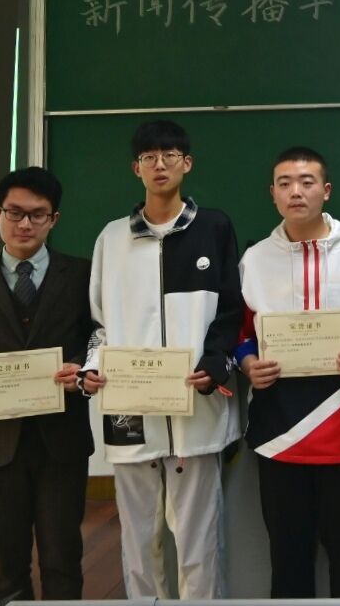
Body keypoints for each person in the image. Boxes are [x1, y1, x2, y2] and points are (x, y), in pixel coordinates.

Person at [79, 120, 242, 599]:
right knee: (138, 541)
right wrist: (92, 368)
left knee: (199, 544)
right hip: (129, 411)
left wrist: (216, 363)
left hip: (195, 411)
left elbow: (230, 311)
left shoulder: (214, 228)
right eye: (149, 157)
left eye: (170, 155)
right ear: (136, 169)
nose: (160, 165)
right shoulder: (112, 238)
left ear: (186, 163)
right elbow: (98, 323)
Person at [237, 147, 340, 598]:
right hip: (278, 432)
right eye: (285, 183)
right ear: (272, 194)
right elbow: (242, 333)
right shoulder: (254, 259)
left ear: (326, 191)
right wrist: (249, 364)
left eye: (306, 182)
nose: (295, 192)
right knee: (288, 558)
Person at [0, 167, 96, 600]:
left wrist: (82, 368)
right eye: (15, 212)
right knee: (5, 565)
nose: (25, 223)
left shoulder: (81, 275)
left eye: (37, 214)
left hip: (60, 440)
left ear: (53, 219)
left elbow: (96, 339)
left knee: (63, 559)